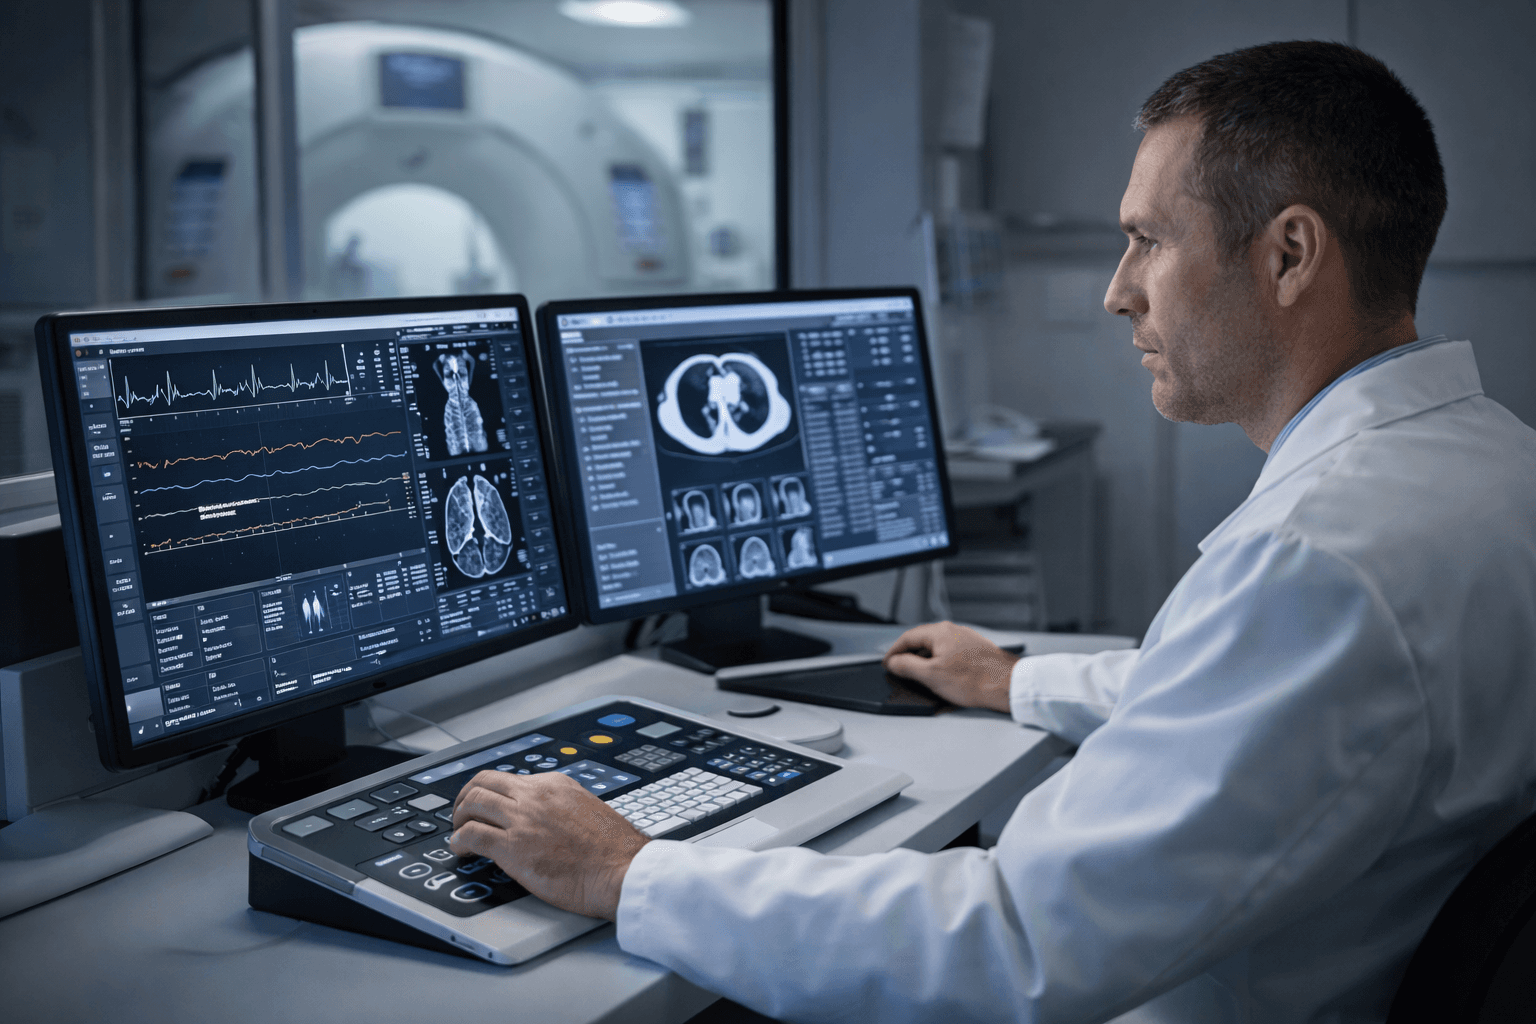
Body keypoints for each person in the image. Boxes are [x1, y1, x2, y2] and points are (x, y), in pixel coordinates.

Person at [446, 41, 1536, 1021]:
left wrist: (629, 871)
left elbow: (1017, 941)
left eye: (1147, 240)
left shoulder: (1314, 563)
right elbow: (1275, 704)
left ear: (1291, 256)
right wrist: (1017, 678)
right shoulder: (1490, 467)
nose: (1118, 293)